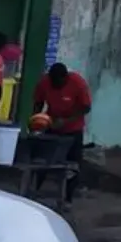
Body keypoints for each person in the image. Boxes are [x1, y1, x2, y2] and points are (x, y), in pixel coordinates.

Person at [31, 62, 93, 199]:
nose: (55, 86)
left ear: (65, 78)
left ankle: (68, 197)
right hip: (52, 126)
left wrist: (67, 121)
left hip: (73, 129)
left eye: (58, 83)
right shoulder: (44, 82)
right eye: (52, 82)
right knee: (42, 160)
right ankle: (33, 191)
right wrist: (36, 119)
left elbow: (86, 107)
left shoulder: (78, 83)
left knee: (73, 165)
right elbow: (38, 102)